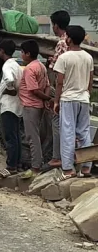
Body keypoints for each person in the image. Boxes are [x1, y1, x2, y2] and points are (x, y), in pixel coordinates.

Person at [53, 25, 94, 180]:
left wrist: (56, 101)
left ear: (68, 38)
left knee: (67, 132)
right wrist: (86, 94)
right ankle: (85, 167)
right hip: (84, 99)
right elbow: (90, 81)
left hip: (68, 99)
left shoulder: (64, 57)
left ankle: (68, 168)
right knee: (84, 133)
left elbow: (59, 83)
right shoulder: (88, 57)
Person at [19, 40, 51, 177]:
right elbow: (48, 85)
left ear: (28, 53)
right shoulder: (41, 66)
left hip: (31, 105)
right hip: (38, 106)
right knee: (35, 135)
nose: (21, 55)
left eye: (22, 52)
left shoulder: (29, 69)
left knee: (32, 137)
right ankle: (38, 162)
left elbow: (34, 90)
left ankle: (36, 166)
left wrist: (46, 99)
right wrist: (46, 99)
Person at [46, 10, 70, 168]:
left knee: (56, 121)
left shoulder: (61, 43)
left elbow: (55, 67)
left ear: (56, 25)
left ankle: (57, 156)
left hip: (61, 86)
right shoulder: (71, 40)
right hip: (72, 88)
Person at [0, 40, 23, 174]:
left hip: (8, 105)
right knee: (16, 136)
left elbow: (9, 79)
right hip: (17, 105)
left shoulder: (7, 66)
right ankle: (17, 163)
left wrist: (10, 89)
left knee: (10, 137)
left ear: (2, 51)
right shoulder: (17, 65)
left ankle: (11, 165)